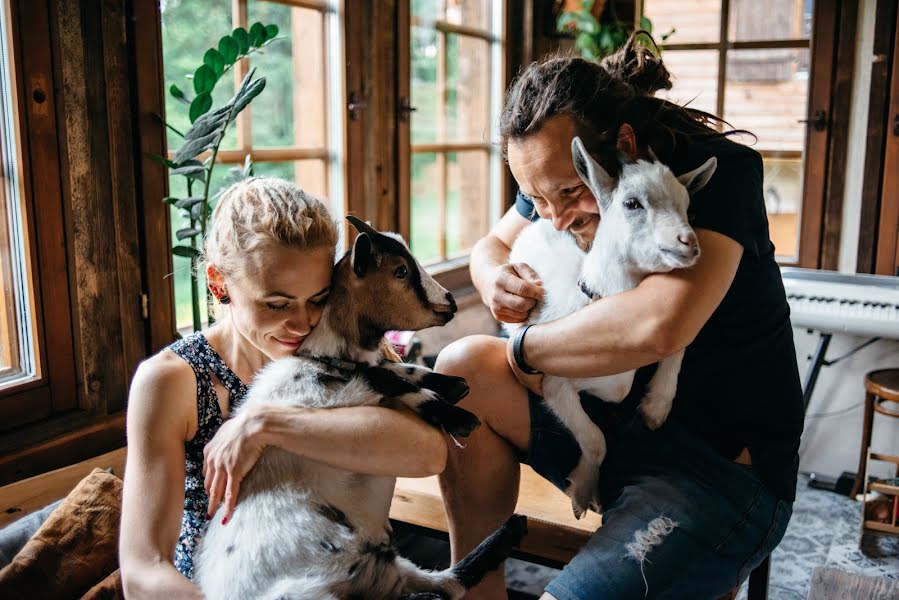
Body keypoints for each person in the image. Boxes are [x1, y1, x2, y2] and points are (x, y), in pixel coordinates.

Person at [436, 37, 803, 600]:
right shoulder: (556, 172)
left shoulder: (721, 174)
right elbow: (491, 245)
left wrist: (523, 349)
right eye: (536, 198)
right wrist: (491, 279)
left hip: (715, 471)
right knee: (460, 367)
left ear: (622, 144)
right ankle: (474, 590)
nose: (553, 218)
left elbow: (658, 327)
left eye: (567, 192)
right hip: (615, 437)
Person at [119, 178, 448, 597]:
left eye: (318, 298)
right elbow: (141, 571)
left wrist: (265, 424)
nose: (303, 322)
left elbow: (430, 454)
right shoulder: (172, 381)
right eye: (276, 304)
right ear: (219, 284)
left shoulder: (352, 352)